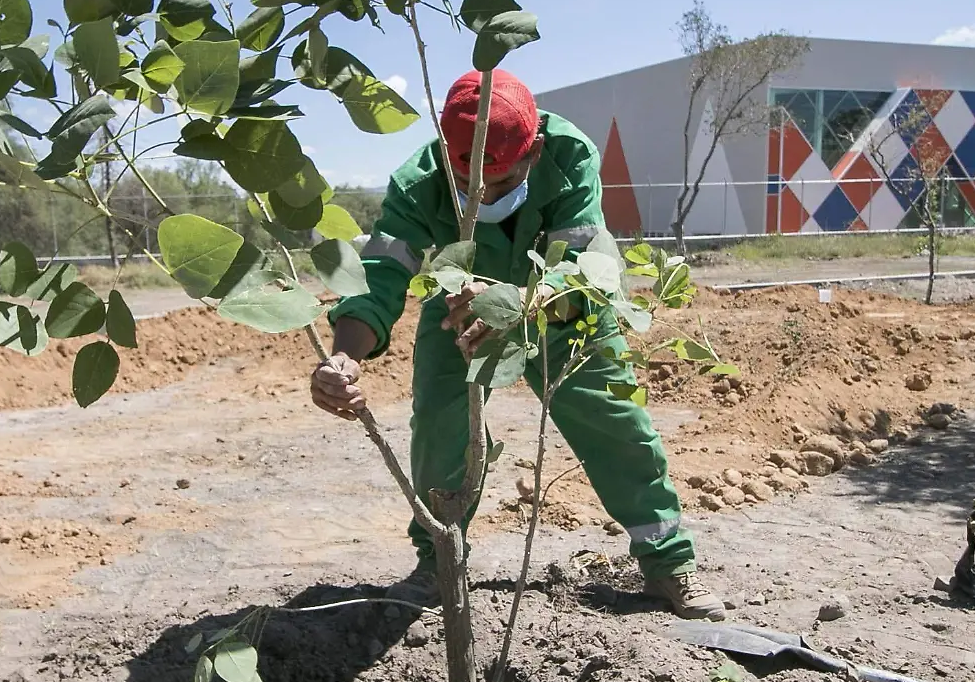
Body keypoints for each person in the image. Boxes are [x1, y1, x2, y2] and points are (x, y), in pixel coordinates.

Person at [309, 69, 727, 620]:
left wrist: (518, 307)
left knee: (616, 424)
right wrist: (343, 355)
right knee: (438, 428)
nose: (488, 195)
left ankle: (668, 565)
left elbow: (585, 267)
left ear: (533, 153)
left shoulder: (569, 155)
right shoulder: (420, 181)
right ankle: (439, 563)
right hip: (458, 309)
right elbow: (381, 274)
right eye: (473, 188)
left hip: (560, 304)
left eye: (503, 184)